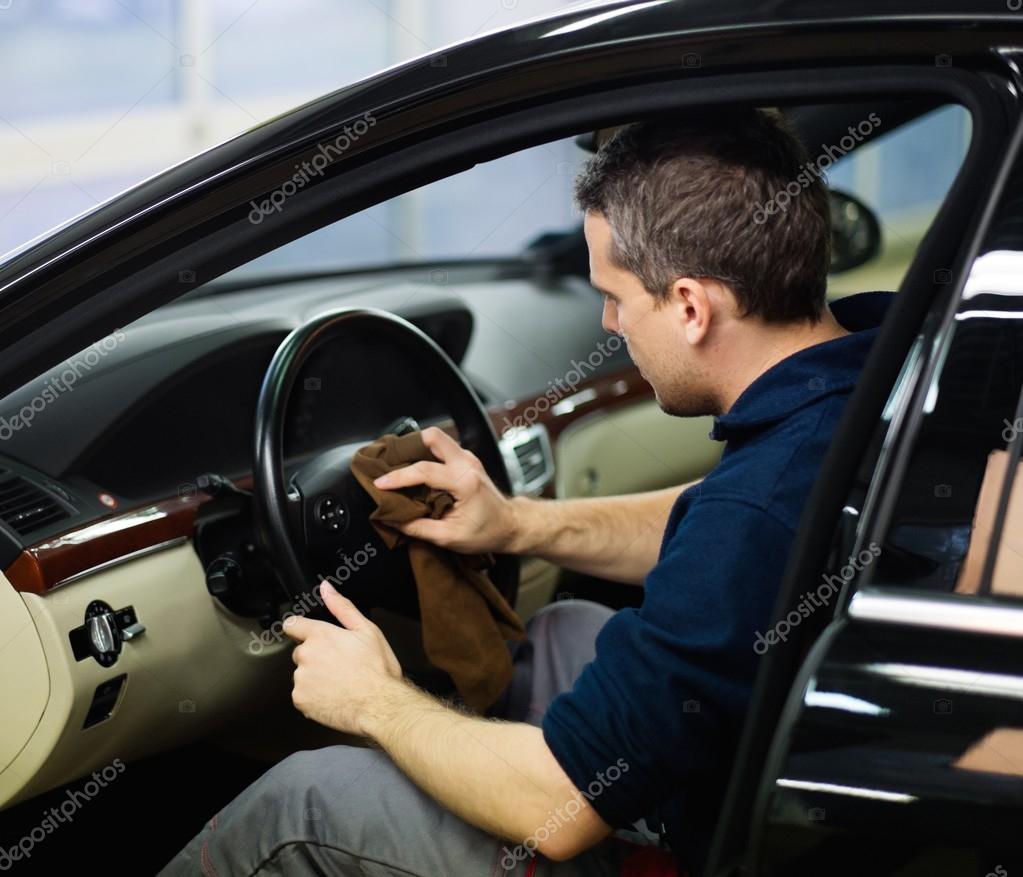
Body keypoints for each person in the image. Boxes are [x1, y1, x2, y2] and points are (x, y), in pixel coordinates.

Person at [160, 108, 888, 876]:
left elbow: (564, 809)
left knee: (302, 800)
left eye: (614, 296)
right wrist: (514, 523)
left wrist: (372, 697)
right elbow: (711, 525)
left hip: (708, 842)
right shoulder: (874, 364)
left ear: (688, 306)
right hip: (788, 775)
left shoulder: (757, 508)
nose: (609, 323)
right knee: (561, 629)